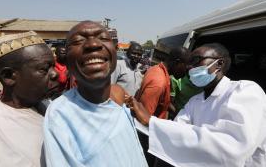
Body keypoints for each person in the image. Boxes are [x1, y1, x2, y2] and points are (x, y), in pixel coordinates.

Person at [127, 43, 266, 167]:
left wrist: (152, 123)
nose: (189, 67)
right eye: (188, 62)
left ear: (219, 64)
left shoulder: (245, 91)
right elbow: (177, 132)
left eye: (196, 61)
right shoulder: (195, 101)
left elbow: (231, 150)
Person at [43, 21, 148, 167]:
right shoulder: (60, 114)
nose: (93, 44)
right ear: (67, 58)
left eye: (103, 38)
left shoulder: (119, 98)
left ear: (115, 51)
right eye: (78, 40)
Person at [0, 31, 58, 167]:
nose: (55, 74)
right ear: (8, 76)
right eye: (44, 69)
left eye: (53, 66)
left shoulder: (56, 111)